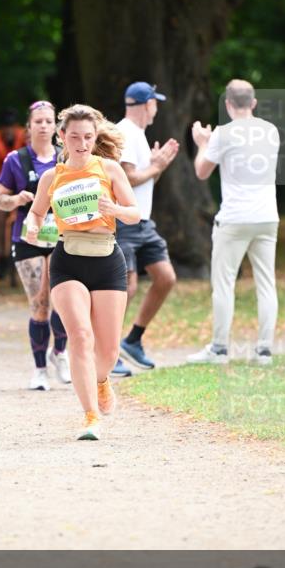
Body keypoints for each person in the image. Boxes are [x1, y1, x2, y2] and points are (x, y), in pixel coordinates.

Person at [26, 104, 139, 440]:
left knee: (107, 351)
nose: (81, 143)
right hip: (68, 258)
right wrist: (33, 228)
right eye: (74, 136)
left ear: (95, 137)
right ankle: (90, 416)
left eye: (88, 137)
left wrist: (114, 208)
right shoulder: (52, 176)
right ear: (62, 137)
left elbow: (134, 214)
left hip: (107, 260)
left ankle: (101, 380)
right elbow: (35, 213)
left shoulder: (109, 169)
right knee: (80, 336)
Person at [188, 79, 280, 366]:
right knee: (266, 284)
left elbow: (202, 172)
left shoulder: (223, 134)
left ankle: (219, 348)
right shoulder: (271, 131)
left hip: (235, 218)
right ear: (253, 103)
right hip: (267, 216)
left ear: (228, 105)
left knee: (224, 283)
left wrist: (202, 144)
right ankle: (264, 350)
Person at [0, 100, 70, 390]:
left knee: (63, 301)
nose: (43, 126)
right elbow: (1, 200)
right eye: (37, 121)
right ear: (29, 126)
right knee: (40, 303)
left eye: (48, 121)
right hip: (28, 237)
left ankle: (60, 353)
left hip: (62, 235)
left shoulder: (65, 159)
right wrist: (16, 199)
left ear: (56, 127)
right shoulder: (16, 160)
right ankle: (39, 369)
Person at [113, 81, 179, 374]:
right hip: (123, 222)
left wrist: (157, 167)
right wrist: (156, 166)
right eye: (155, 103)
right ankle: (108, 349)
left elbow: (145, 182)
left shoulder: (139, 134)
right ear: (145, 104)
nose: (157, 108)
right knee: (126, 287)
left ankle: (133, 340)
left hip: (144, 222)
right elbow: (126, 178)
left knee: (165, 278)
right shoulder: (124, 133)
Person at [0, 109, 27, 279]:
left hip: (22, 181)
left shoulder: (24, 136)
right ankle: (0, 257)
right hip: (2, 181)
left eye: (11, 127)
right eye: (6, 127)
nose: (9, 131)